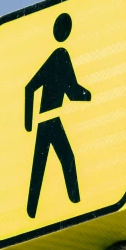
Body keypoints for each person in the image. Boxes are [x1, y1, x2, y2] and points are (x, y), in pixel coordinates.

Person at [24, 14, 91, 215]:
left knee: (42, 167)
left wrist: (30, 122)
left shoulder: (56, 57)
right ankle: (77, 204)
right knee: (64, 159)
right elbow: (72, 91)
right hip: (50, 120)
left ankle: (32, 211)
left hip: (47, 120)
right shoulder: (61, 56)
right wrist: (90, 94)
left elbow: (30, 88)